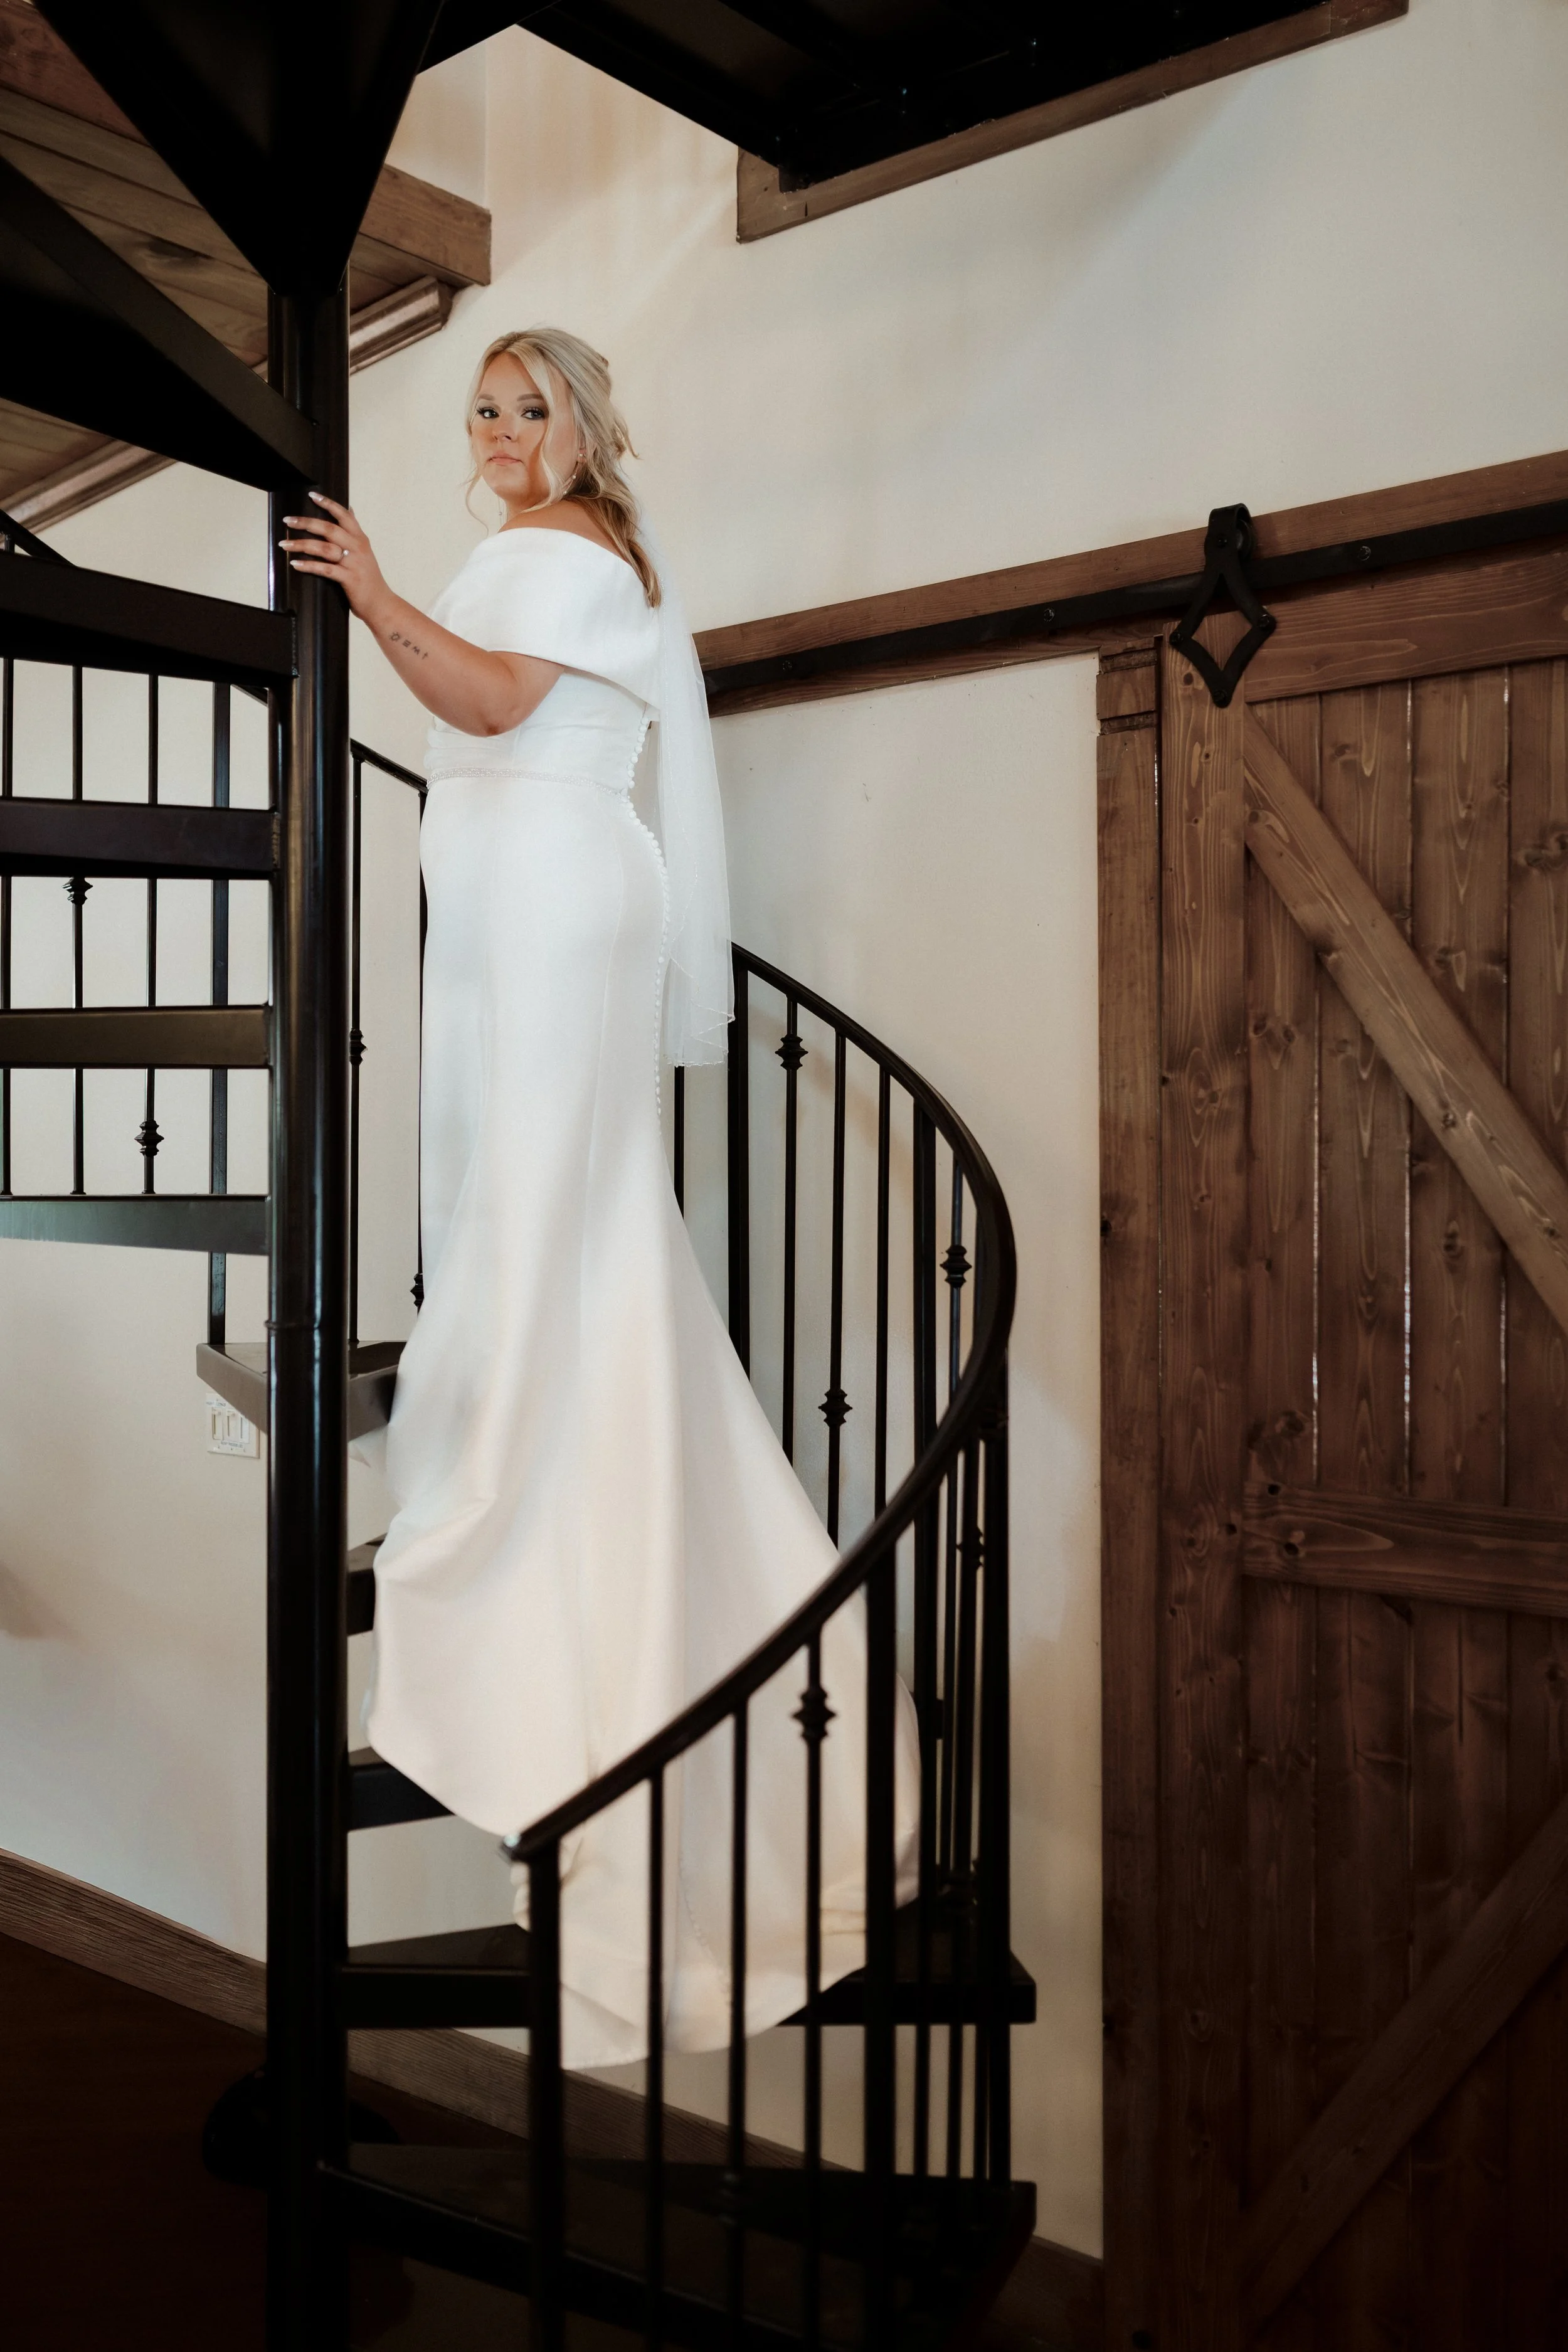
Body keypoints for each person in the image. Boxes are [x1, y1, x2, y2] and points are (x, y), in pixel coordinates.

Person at [278, 328, 918, 2070]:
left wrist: (369, 591)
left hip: (552, 891)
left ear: (582, 425)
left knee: (541, 1193)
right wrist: (397, 603)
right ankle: (549, 1424)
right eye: (482, 410)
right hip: (529, 887)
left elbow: (492, 706)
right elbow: (488, 704)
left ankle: (527, 1456)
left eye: (529, 406)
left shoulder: (564, 547)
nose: (500, 431)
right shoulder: (563, 548)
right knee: (538, 1195)